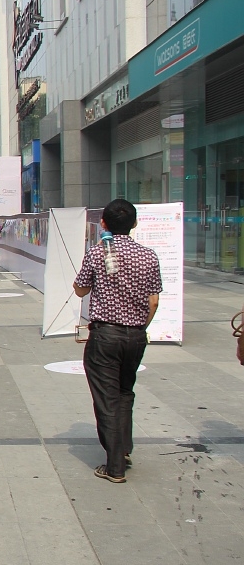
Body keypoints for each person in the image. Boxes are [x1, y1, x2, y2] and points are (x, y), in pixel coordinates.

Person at [72, 199, 162, 484]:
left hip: (105, 335)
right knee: (125, 392)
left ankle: (114, 466)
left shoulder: (97, 252)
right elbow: (154, 301)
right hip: (135, 335)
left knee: (106, 398)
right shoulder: (148, 256)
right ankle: (123, 449)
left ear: (103, 223)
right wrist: (141, 327)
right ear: (134, 223)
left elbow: (80, 289)